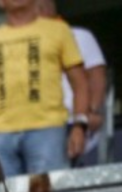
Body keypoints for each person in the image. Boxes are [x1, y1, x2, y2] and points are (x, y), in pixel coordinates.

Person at [0, 0, 89, 177]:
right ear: (0, 2)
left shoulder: (58, 31)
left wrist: (79, 126)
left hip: (48, 129)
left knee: (48, 191)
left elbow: (80, 83)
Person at [37, 0, 109, 166]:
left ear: (43, 9)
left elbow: (97, 77)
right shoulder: (27, 44)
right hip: (38, 124)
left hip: (73, 120)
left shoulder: (78, 35)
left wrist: (92, 112)